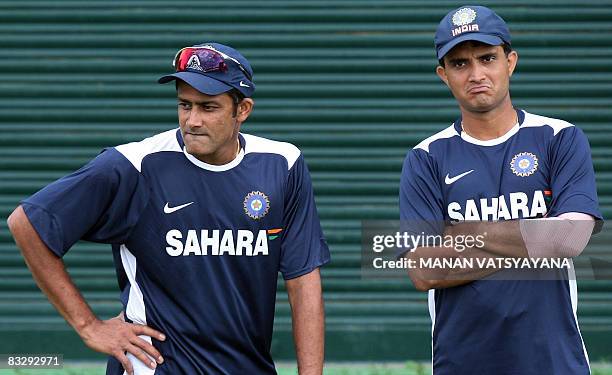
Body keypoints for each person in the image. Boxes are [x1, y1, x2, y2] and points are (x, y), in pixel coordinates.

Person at [7, 42, 330, 375]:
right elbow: (28, 222)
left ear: (243, 110)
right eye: (184, 105)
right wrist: (89, 326)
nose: (192, 120)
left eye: (208, 107)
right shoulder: (136, 166)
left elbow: (303, 282)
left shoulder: (282, 165)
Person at [399, 5, 601, 375]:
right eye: (460, 64)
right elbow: (424, 269)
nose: (476, 74)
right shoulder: (426, 157)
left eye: (487, 58)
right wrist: (537, 233)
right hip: (463, 361)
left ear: (510, 62)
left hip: (553, 360)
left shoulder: (559, 139)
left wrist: (460, 236)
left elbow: (570, 238)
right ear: (444, 75)